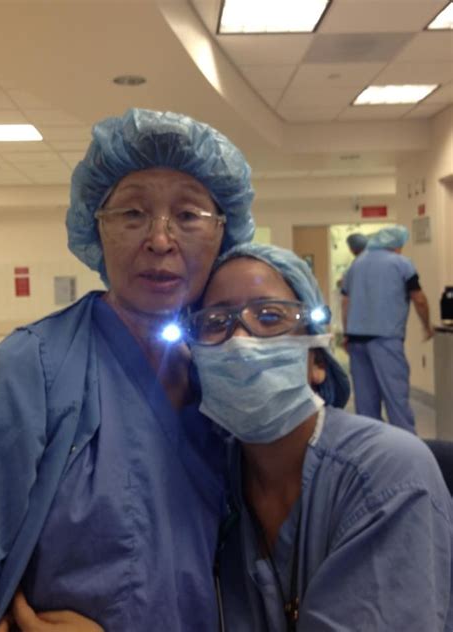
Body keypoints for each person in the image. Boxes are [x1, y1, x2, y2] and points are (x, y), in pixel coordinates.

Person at [0, 107, 255, 632]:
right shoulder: (29, 371)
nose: (159, 239)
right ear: (95, 228)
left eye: (189, 215)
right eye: (131, 214)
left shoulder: (224, 380)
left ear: (225, 233)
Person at [186, 242, 452, 631]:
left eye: (269, 316)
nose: (239, 341)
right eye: (215, 322)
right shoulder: (212, 481)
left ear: (317, 361)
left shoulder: (390, 476)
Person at [341, 225, 434, 433]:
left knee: (365, 405)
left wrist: (346, 333)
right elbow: (418, 299)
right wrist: (427, 326)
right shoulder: (401, 263)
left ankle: (372, 452)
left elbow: (345, 301)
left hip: (356, 341)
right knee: (396, 400)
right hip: (385, 340)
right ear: (397, 245)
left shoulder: (356, 264)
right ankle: (408, 453)